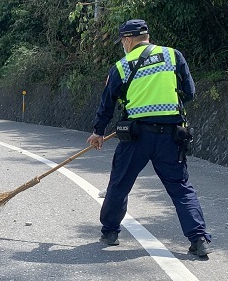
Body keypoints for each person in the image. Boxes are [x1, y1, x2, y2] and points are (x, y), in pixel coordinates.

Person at [86, 19, 212, 257]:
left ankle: (110, 232)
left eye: (122, 41)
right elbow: (190, 92)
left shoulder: (121, 66)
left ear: (127, 39)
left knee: (120, 184)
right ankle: (199, 239)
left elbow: (107, 103)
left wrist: (98, 132)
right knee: (181, 188)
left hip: (136, 137)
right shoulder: (174, 56)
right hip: (171, 138)